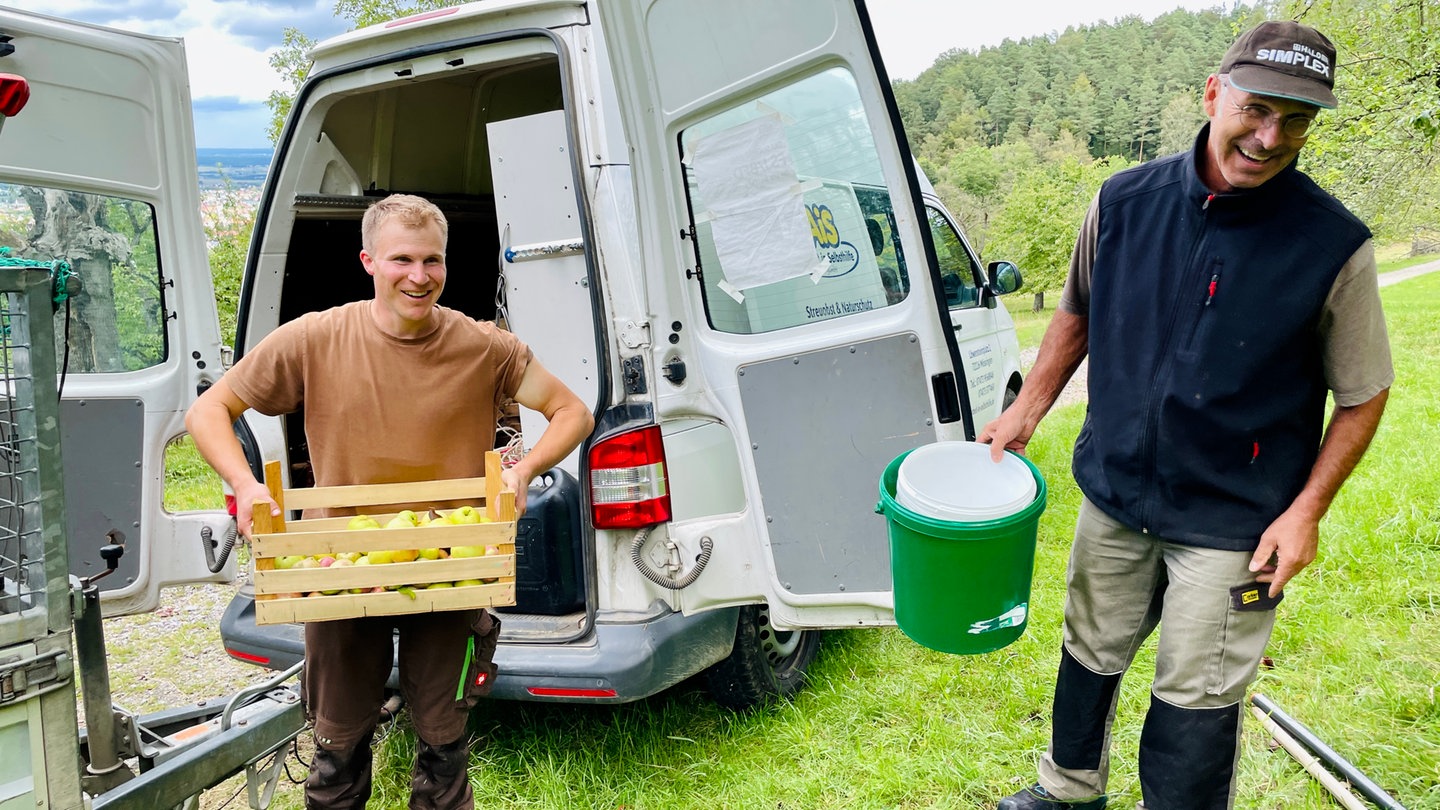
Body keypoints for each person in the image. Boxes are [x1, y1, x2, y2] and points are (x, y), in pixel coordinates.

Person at [981, 21, 1391, 810]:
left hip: (1235, 519)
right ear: (1213, 94)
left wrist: (1306, 512)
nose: (1271, 138)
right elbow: (1077, 310)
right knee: (1087, 651)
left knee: (1195, 697)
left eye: (1296, 120)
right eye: (1257, 109)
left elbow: (1364, 392)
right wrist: (1026, 411)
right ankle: (1067, 793)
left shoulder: (1332, 244)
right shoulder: (1124, 201)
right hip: (1115, 491)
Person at [185, 193, 594, 810]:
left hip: (451, 567)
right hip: (340, 570)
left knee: (444, 740)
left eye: (433, 260)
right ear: (369, 261)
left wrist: (524, 469)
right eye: (402, 259)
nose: (419, 276)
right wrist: (246, 486)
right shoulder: (315, 339)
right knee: (337, 743)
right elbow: (208, 409)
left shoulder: (485, 347)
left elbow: (572, 412)